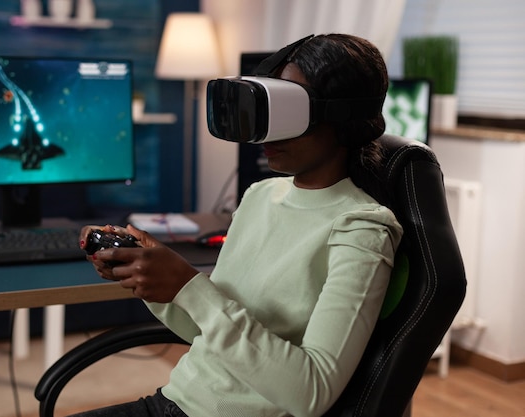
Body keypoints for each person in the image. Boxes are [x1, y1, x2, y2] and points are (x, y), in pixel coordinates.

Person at [76, 33, 403, 417]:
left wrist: (188, 285)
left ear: (343, 119)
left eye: (287, 109)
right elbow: (208, 332)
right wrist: (153, 280)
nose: (268, 129)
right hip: (172, 403)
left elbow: (310, 393)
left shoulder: (360, 229)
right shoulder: (260, 196)